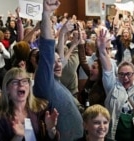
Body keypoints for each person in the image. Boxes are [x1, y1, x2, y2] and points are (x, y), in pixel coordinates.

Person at [33, 0, 83, 140]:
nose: (58, 64)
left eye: (59, 62)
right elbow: (48, 49)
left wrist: (65, 37)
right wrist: (46, 14)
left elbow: (60, 58)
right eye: (52, 63)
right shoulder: (45, 84)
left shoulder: (56, 81)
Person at [0, 67, 60, 140]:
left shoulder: (42, 107)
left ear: (29, 86)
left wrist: (51, 129)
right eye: (15, 82)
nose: (21, 84)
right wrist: (18, 136)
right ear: (7, 89)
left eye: (24, 81)